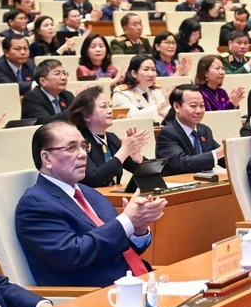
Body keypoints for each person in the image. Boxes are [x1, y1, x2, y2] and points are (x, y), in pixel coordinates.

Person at [15, 121, 166, 287]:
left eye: (84, 146)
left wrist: (138, 229)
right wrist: (126, 222)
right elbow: (74, 255)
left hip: (135, 282)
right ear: (46, 158)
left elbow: (119, 248)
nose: (83, 154)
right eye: (71, 148)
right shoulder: (35, 204)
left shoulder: (90, 193)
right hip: (93, 295)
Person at [69, 86, 149, 188]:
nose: (110, 110)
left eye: (110, 106)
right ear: (86, 116)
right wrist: (124, 150)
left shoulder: (112, 139)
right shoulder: (79, 143)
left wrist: (137, 156)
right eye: (103, 107)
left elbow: (147, 175)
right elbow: (93, 179)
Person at [155, 84, 225, 176]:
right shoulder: (167, 133)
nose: (199, 110)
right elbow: (182, 163)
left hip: (205, 185)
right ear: (177, 107)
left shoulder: (204, 130)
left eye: (202, 106)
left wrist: (230, 150)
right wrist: (219, 152)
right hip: (179, 187)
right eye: (193, 106)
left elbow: (222, 159)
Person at [112, 55, 169, 120]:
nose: (151, 74)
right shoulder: (121, 93)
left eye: (153, 70)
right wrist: (163, 104)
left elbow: (166, 113)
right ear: (134, 73)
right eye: (146, 69)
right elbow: (133, 117)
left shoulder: (155, 91)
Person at [21, 59, 74, 124]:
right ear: (43, 81)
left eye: (64, 73)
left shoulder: (67, 95)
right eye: (57, 74)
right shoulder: (32, 98)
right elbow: (46, 122)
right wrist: (75, 106)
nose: (64, 77)